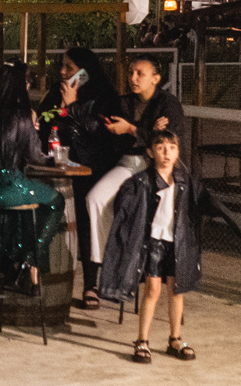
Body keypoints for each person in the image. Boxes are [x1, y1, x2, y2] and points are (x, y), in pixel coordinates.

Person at [99, 129, 205, 363]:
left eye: (172, 148)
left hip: (175, 241)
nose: (167, 153)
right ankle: (142, 340)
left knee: (177, 289)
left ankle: (175, 338)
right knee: (153, 290)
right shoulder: (142, 181)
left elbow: (197, 206)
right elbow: (123, 207)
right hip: (154, 241)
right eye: (160, 148)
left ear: (178, 152)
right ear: (150, 152)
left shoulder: (184, 181)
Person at [87, 55, 188, 278]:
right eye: (131, 72)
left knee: (146, 211)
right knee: (95, 198)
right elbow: (115, 133)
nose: (133, 78)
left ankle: (149, 264)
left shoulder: (168, 104)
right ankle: (106, 259)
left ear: (155, 78)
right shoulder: (124, 102)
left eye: (140, 73)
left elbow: (166, 142)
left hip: (157, 166)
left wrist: (132, 129)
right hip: (128, 162)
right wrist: (147, 130)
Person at [44, 46, 129, 309]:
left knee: (85, 222)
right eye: (62, 65)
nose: (62, 71)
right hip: (59, 164)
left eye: (69, 67)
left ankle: (90, 284)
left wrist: (71, 107)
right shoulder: (58, 91)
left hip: (92, 167)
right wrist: (53, 113)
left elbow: (100, 131)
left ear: (85, 72)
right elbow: (47, 121)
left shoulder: (104, 96)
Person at [0, 63, 61, 295]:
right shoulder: (22, 115)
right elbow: (35, 157)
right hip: (7, 186)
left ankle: (12, 265)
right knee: (55, 201)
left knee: (20, 209)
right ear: (23, 85)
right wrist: (34, 134)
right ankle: (30, 260)